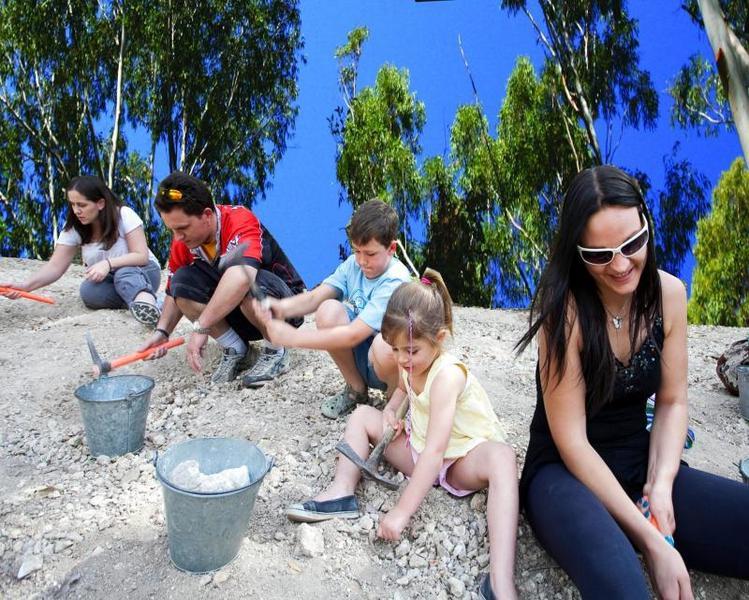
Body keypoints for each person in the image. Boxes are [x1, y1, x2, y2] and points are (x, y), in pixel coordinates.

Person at [515, 165, 749, 598]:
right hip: (564, 473)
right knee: (625, 589)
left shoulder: (670, 295)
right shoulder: (563, 312)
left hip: (637, 460)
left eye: (632, 244)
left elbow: (672, 402)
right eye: (599, 255)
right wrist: (650, 539)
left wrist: (660, 486)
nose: (621, 265)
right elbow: (572, 443)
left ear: (647, 225)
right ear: (577, 252)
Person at [282, 271, 519, 600]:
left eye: (411, 351)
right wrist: (392, 413)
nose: (402, 360)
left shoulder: (446, 375)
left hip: (459, 459)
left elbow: (438, 452)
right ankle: (342, 490)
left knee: (502, 457)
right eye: (395, 350)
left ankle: (500, 580)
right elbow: (401, 395)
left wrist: (401, 511)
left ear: (439, 337)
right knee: (364, 415)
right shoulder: (410, 366)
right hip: (420, 452)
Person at [139, 171, 305, 384]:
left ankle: (276, 351)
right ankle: (235, 348)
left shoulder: (239, 219)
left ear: (207, 215)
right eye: (171, 230)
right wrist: (162, 331)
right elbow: (174, 290)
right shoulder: (183, 242)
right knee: (182, 280)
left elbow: (241, 279)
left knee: (246, 277)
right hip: (240, 314)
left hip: (284, 309)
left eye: (182, 228)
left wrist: (201, 327)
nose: (178, 237)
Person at [254, 199, 412, 417]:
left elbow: (352, 334)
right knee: (328, 310)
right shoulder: (353, 265)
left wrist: (291, 338)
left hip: (390, 361)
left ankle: (396, 400)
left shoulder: (395, 281)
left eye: (370, 253)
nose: (362, 261)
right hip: (365, 355)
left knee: (384, 345)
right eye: (357, 251)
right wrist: (281, 307)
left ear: (391, 249)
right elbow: (316, 297)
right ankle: (356, 390)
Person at [0, 176, 161, 326]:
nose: (76, 211)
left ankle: (147, 302)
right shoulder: (74, 229)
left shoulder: (123, 214)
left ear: (100, 203)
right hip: (111, 279)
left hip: (141, 271)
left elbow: (141, 256)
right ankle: (137, 304)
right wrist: (24, 286)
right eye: (72, 204)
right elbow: (55, 267)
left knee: (124, 273)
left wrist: (108, 264)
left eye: (82, 205)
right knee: (89, 291)